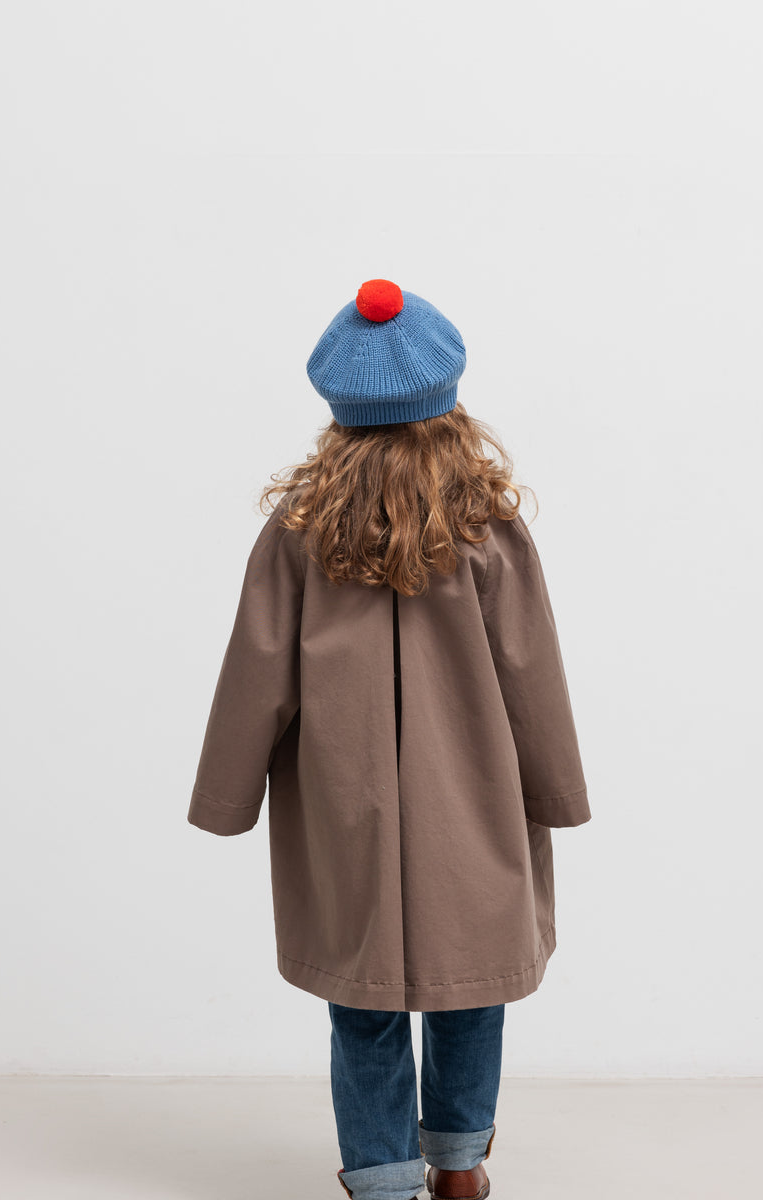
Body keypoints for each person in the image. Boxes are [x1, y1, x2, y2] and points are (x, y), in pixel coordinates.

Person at [187, 278, 592, 1200]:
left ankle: (379, 1180)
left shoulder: (301, 532)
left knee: (361, 999)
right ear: (447, 404)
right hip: (473, 801)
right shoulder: (486, 526)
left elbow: (257, 670)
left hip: (345, 802)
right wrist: (555, 790)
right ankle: (459, 1166)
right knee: (471, 983)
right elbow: (531, 669)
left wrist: (228, 796)